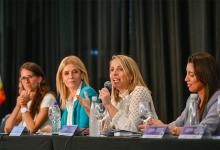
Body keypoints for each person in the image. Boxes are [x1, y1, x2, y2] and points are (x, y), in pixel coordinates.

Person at [139, 52, 220, 135]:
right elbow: (178, 123)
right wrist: (156, 128)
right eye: (187, 73)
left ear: (205, 75)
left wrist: (165, 128)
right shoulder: (193, 99)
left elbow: (205, 129)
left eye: (191, 74)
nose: (186, 79)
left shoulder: (218, 99)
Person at [79, 55, 158, 132]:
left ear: (131, 75)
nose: (114, 73)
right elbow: (105, 129)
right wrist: (90, 110)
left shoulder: (139, 91)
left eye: (120, 69)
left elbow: (132, 129)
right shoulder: (115, 98)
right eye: (112, 70)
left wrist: (108, 105)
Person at [4, 62, 56, 133]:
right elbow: (7, 129)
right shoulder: (27, 99)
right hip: (28, 142)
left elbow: (32, 129)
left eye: (30, 77)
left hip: (43, 142)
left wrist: (24, 105)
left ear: (39, 79)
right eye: (23, 78)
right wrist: (18, 105)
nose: (26, 81)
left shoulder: (48, 98)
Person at [56, 56, 97, 129]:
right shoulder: (68, 98)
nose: (71, 76)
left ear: (82, 75)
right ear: (61, 78)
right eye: (66, 73)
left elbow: (83, 128)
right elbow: (63, 127)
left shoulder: (87, 92)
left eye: (75, 72)